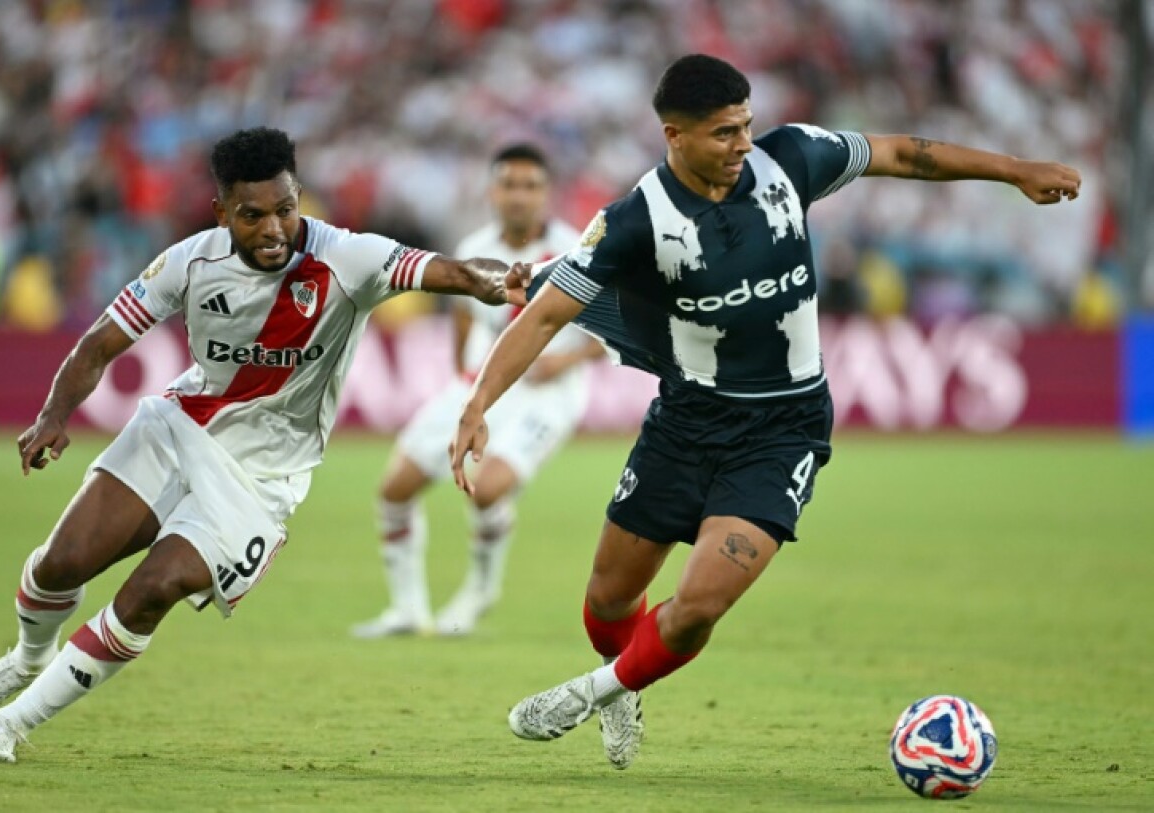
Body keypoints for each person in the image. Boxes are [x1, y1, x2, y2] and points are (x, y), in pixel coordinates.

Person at [449, 54, 1080, 771]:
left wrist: (1014, 170)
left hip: (784, 430)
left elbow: (903, 154)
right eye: (725, 132)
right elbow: (544, 314)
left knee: (698, 606)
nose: (744, 143)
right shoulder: (634, 220)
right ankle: (620, 678)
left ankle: (592, 692)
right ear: (675, 136)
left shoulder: (791, 159)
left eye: (747, 125)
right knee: (607, 601)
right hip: (686, 421)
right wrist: (477, 402)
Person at [0, 127, 527, 763]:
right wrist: (53, 415)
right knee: (61, 564)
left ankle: (12, 723)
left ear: (298, 197)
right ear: (222, 212)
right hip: (180, 429)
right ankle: (28, 658)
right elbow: (100, 342)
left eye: (286, 209)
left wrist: (494, 283)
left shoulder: (348, 257)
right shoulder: (188, 263)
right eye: (253, 216)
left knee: (154, 590)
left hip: (265, 476)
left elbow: (452, 271)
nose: (274, 229)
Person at [352, 144, 601, 638]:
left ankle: (480, 591)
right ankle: (407, 609)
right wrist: (461, 380)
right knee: (394, 491)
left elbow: (613, 332)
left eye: (530, 186)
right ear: (492, 191)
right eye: (509, 185)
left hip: (548, 394)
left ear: (546, 193)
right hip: (482, 386)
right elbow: (463, 318)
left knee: (487, 492)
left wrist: (564, 361)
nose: (519, 196)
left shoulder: (576, 251)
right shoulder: (476, 247)